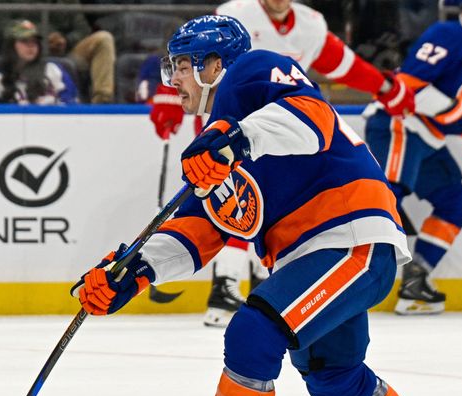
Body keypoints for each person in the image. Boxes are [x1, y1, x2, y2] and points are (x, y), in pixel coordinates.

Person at [73, 15, 462, 396]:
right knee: (332, 373)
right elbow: (202, 227)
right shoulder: (214, 144)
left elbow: (313, 117)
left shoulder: (253, 70)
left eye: (183, 66)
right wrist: (134, 271)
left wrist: (235, 140)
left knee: (254, 331)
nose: (174, 79)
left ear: (215, 66)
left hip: (351, 239)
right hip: (316, 255)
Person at [146, 0, 417, 327]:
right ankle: (227, 280)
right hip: (225, 128)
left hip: (280, 130)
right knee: (233, 200)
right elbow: (190, 63)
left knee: (253, 201)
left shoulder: (309, 23)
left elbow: (344, 64)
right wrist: (170, 96)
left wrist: (385, 87)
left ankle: (255, 282)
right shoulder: (235, 14)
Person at [364, 0, 462, 315]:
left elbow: (454, 104)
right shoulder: (449, 34)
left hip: (425, 136)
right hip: (400, 124)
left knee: (455, 203)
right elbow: (410, 86)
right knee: (385, 201)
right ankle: (350, 281)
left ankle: (417, 278)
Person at [0, 20, 78, 105]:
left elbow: (71, 104)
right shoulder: (0, 78)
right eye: (24, 41)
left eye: (34, 41)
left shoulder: (53, 70)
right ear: (11, 45)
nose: (31, 45)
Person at [46, 0, 116, 103]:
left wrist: (66, 40)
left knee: (104, 39)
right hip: (32, 49)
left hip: (68, 51)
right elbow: (21, 25)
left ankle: (102, 101)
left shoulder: (69, 2)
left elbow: (83, 29)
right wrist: (44, 39)